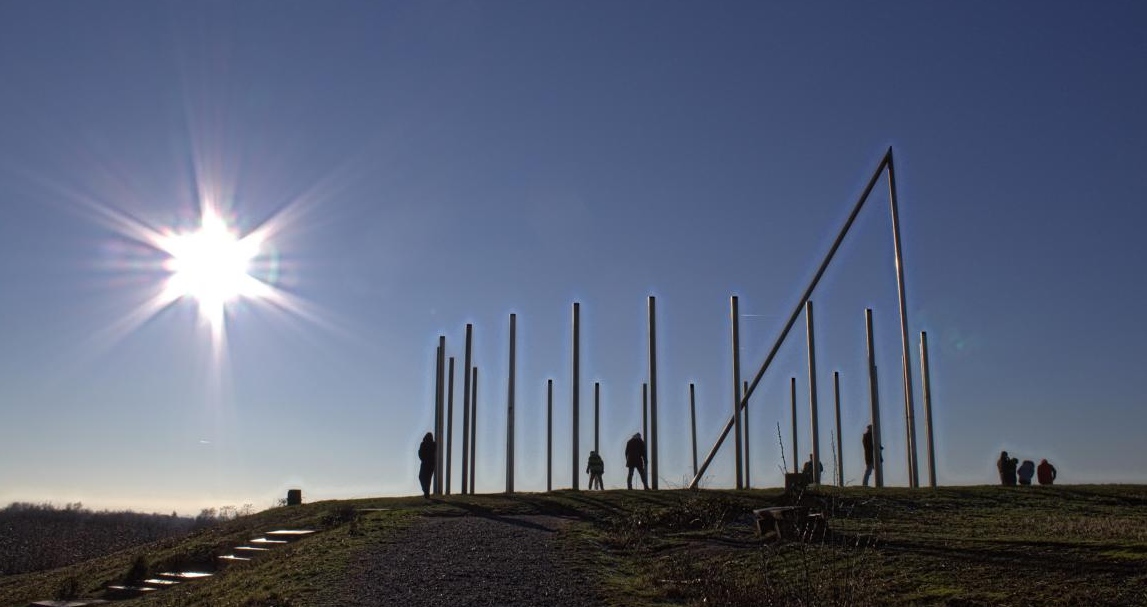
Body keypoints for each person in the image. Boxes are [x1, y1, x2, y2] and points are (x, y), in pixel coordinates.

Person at [418, 432, 436, 498]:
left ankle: (426, 492)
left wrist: (423, 459)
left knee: (425, 478)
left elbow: (420, 453)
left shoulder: (432, 444)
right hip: (428, 463)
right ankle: (426, 491)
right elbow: (420, 453)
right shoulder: (431, 444)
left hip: (428, 463)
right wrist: (423, 459)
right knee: (424, 478)